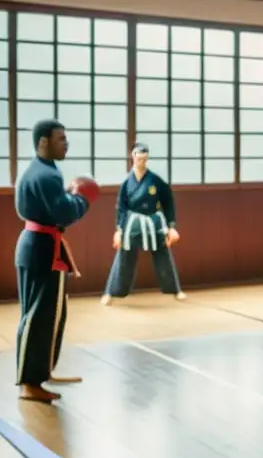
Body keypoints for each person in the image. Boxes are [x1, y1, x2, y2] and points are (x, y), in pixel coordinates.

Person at [14, 119, 99, 402]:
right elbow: (64, 214)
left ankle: (41, 373)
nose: (66, 143)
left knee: (49, 315)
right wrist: (82, 199)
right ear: (43, 142)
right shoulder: (47, 175)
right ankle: (29, 383)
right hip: (42, 250)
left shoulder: (38, 170)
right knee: (39, 317)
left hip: (35, 245)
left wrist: (69, 197)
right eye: (60, 138)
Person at [100, 142, 185, 305]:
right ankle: (111, 292)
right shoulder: (127, 182)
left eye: (145, 160)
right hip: (133, 223)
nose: (142, 163)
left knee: (164, 256)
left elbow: (168, 200)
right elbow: (121, 207)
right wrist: (119, 230)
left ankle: (175, 290)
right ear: (133, 158)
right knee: (124, 257)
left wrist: (171, 226)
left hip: (153, 222)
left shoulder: (155, 180)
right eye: (139, 159)